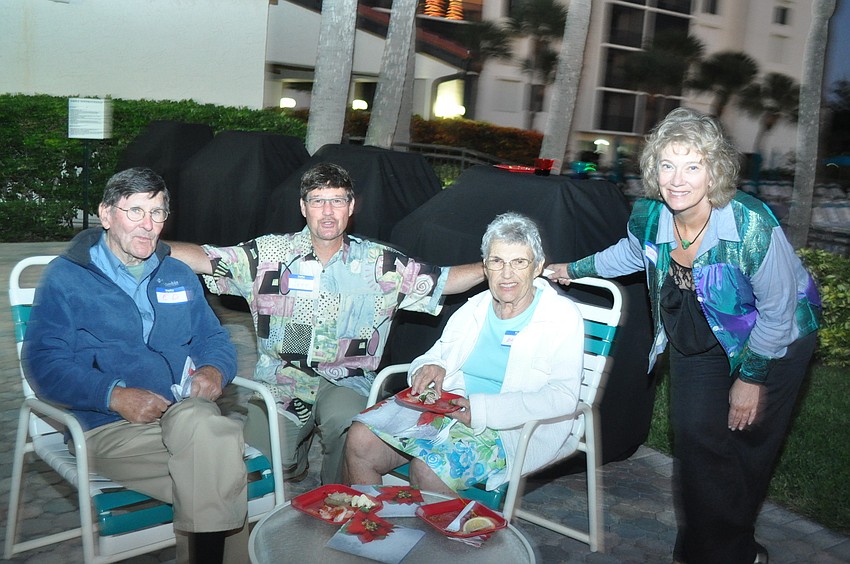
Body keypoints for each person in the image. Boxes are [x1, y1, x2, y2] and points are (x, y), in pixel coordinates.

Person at [548, 107, 821, 564]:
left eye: (693, 165)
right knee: (697, 438)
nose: (678, 179)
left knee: (746, 445)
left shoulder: (751, 225)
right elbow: (631, 254)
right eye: (668, 165)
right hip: (700, 329)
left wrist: (750, 379)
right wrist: (572, 270)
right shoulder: (651, 213)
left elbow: (776, 311)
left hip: (778, 337)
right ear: (654, 169)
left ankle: (723, 551)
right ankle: (713, 549)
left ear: (714, 170)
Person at [169, 162, 484, 486]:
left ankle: (334, 502)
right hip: (282, 377)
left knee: (350, 437)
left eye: (337, 200)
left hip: (347, 379)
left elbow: (443, 281)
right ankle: (295, 459)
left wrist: (494, 267)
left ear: (351, 206)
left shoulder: (380, 263)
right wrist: (145, 246)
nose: (328, 211)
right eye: (318, 200)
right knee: (261, 465)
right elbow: (204, 258)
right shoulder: (269, 253)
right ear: (303, 207)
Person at [23, 168, 248, 564]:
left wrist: (215, 369)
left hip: (185, 414)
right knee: (220, 468)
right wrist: (113, 395)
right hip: (109, 428)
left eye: (158, 213)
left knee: (204, 447)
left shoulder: (177, 273)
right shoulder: (67, 278)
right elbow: (44, 363)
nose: (148, 226)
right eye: (136, 211)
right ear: (106, 215)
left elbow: (214, 339)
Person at [342, 212, 585, 496]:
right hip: (449, 411)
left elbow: (563, 397)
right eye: (497, 262)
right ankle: (373, 527)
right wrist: (430, 367)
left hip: (509, 428)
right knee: (359, 438)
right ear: (485, 266)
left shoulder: (561, 317)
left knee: (428, 469)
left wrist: (481, 410)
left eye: (519, 262)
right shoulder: (476, 307)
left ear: (538, 267)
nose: (507, 274)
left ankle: (432, 539)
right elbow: (437, 355)